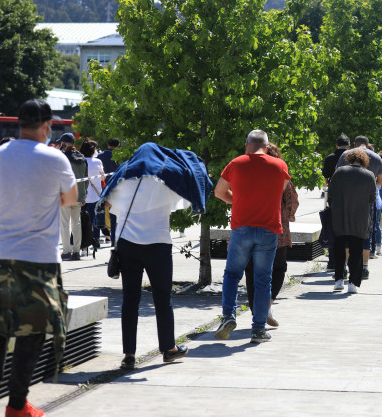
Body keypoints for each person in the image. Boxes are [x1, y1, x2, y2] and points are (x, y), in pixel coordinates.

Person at [0, 99, 78, 417]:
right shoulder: (55, 158)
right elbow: (69, 199)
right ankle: (17, 405)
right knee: (31, 334)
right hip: (39, 259)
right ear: (45, 126)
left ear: (19, 124)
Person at [101, 143, 213, 371]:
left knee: (129, 301)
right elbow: (190, 186)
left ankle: (129, 355)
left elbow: (109, 202)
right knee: (163, 299)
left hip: (127, 245)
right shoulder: (165, 179)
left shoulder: (122, 177)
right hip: (158, 245)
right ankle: (169, 348)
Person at [214, 129, 290, 344]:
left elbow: (219, 192)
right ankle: (258, 330)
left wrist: (238, 200)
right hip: (269, 229)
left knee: (232, 275)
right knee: (263, 280)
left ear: (247, 145)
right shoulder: (280, 166)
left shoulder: (235, 163)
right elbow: (280, 192)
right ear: (266, 147)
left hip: (242, 228)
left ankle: (228, 316)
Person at [244, 143, 299, 328]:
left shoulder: (247, 171)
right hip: (276, 229)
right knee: (278, 269)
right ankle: (266, 307)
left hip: (247, 226)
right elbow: (292, 201)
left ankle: (256, 311)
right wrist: (289, 215)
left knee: (251, 271)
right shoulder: (280, 173)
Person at [335, 136, 382, 279]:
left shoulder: (346, 155)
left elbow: (337, 176)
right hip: (367, 201)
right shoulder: (376, 157)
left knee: (345, 233)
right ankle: (364, 268)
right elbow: (381, 181)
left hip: (346, 200)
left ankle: (344, 267)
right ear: (368, 144)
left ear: (355, 144)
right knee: (365, 234)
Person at [327, 149, 376, 293]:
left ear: (349, 159)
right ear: (364, 160)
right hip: (359, 219)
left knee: (339, 251)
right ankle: (353, 283)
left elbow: (330, 195)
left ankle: (338, 280)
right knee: (356, 251)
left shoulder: (339, 172)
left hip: (339, 217)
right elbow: (371, 199)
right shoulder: (369, 175)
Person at [57, 133, 88, 262]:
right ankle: (76, 252)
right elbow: (86, 179)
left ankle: (66, 252)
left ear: (64, 143)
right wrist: (84, 195)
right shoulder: (82, 157)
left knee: (65, 224)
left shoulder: (62, 158)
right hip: (79, 195)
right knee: (77, 224)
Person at [321, 135, 350, 270]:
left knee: (333, 227)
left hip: (334, 195)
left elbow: (325, 175)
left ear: (336, 145)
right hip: (350, 196)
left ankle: (333, 261)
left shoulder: (330, 158)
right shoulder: (352, 157)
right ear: (348, 145)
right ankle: (348, 260)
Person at [81, 141, 105, 253]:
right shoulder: (97, 161)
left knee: (82, 220)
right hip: (95, 195)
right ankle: (95, 241)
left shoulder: (80, 161)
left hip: (82, 196)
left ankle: (82, 242)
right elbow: (103, 177)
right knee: (95, 219)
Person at [98, 138, 120, 239]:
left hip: (102, 185)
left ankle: (104, 234)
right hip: (116, 186)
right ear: (118, 146)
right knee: (115, 211)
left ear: (108, 145)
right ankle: (115, 234)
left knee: (101, 210)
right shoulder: (119, 156)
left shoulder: (100, 156)